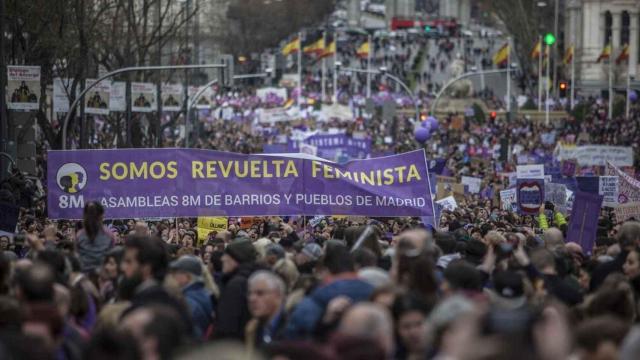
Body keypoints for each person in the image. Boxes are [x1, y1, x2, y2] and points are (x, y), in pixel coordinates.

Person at [216, 237, 259, 340]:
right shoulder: (253, 278)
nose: (222, 259)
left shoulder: (236, 285)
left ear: (236, 258)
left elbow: (227, 325)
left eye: (226, 255)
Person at [169, 255, 214, 339]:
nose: (173, 276)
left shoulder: (188, 302)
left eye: (176, 272)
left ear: (187, 277)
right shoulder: (204, 293)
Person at [245, 270, 287, 353]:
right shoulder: (253, 328)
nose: (252, 299)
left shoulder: (292, 328)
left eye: (260, 293)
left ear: (278, 295)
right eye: (250, 293)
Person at [76, 202, 114, 274]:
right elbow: (111, 257)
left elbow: (77, 256)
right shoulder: (109, 235)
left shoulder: (79, 235)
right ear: (101, 216)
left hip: (84, 277)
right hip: (103, 276)